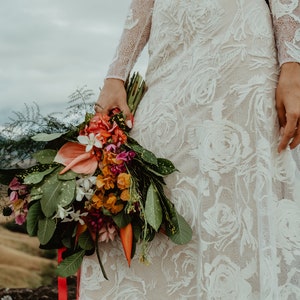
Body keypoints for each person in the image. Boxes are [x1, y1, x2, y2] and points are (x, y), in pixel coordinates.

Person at [79, 1, 300, 299]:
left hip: (240, 53)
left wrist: (293, 64)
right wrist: (115, 75)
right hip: (170, 53)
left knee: (235, 199)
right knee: (157, 194)